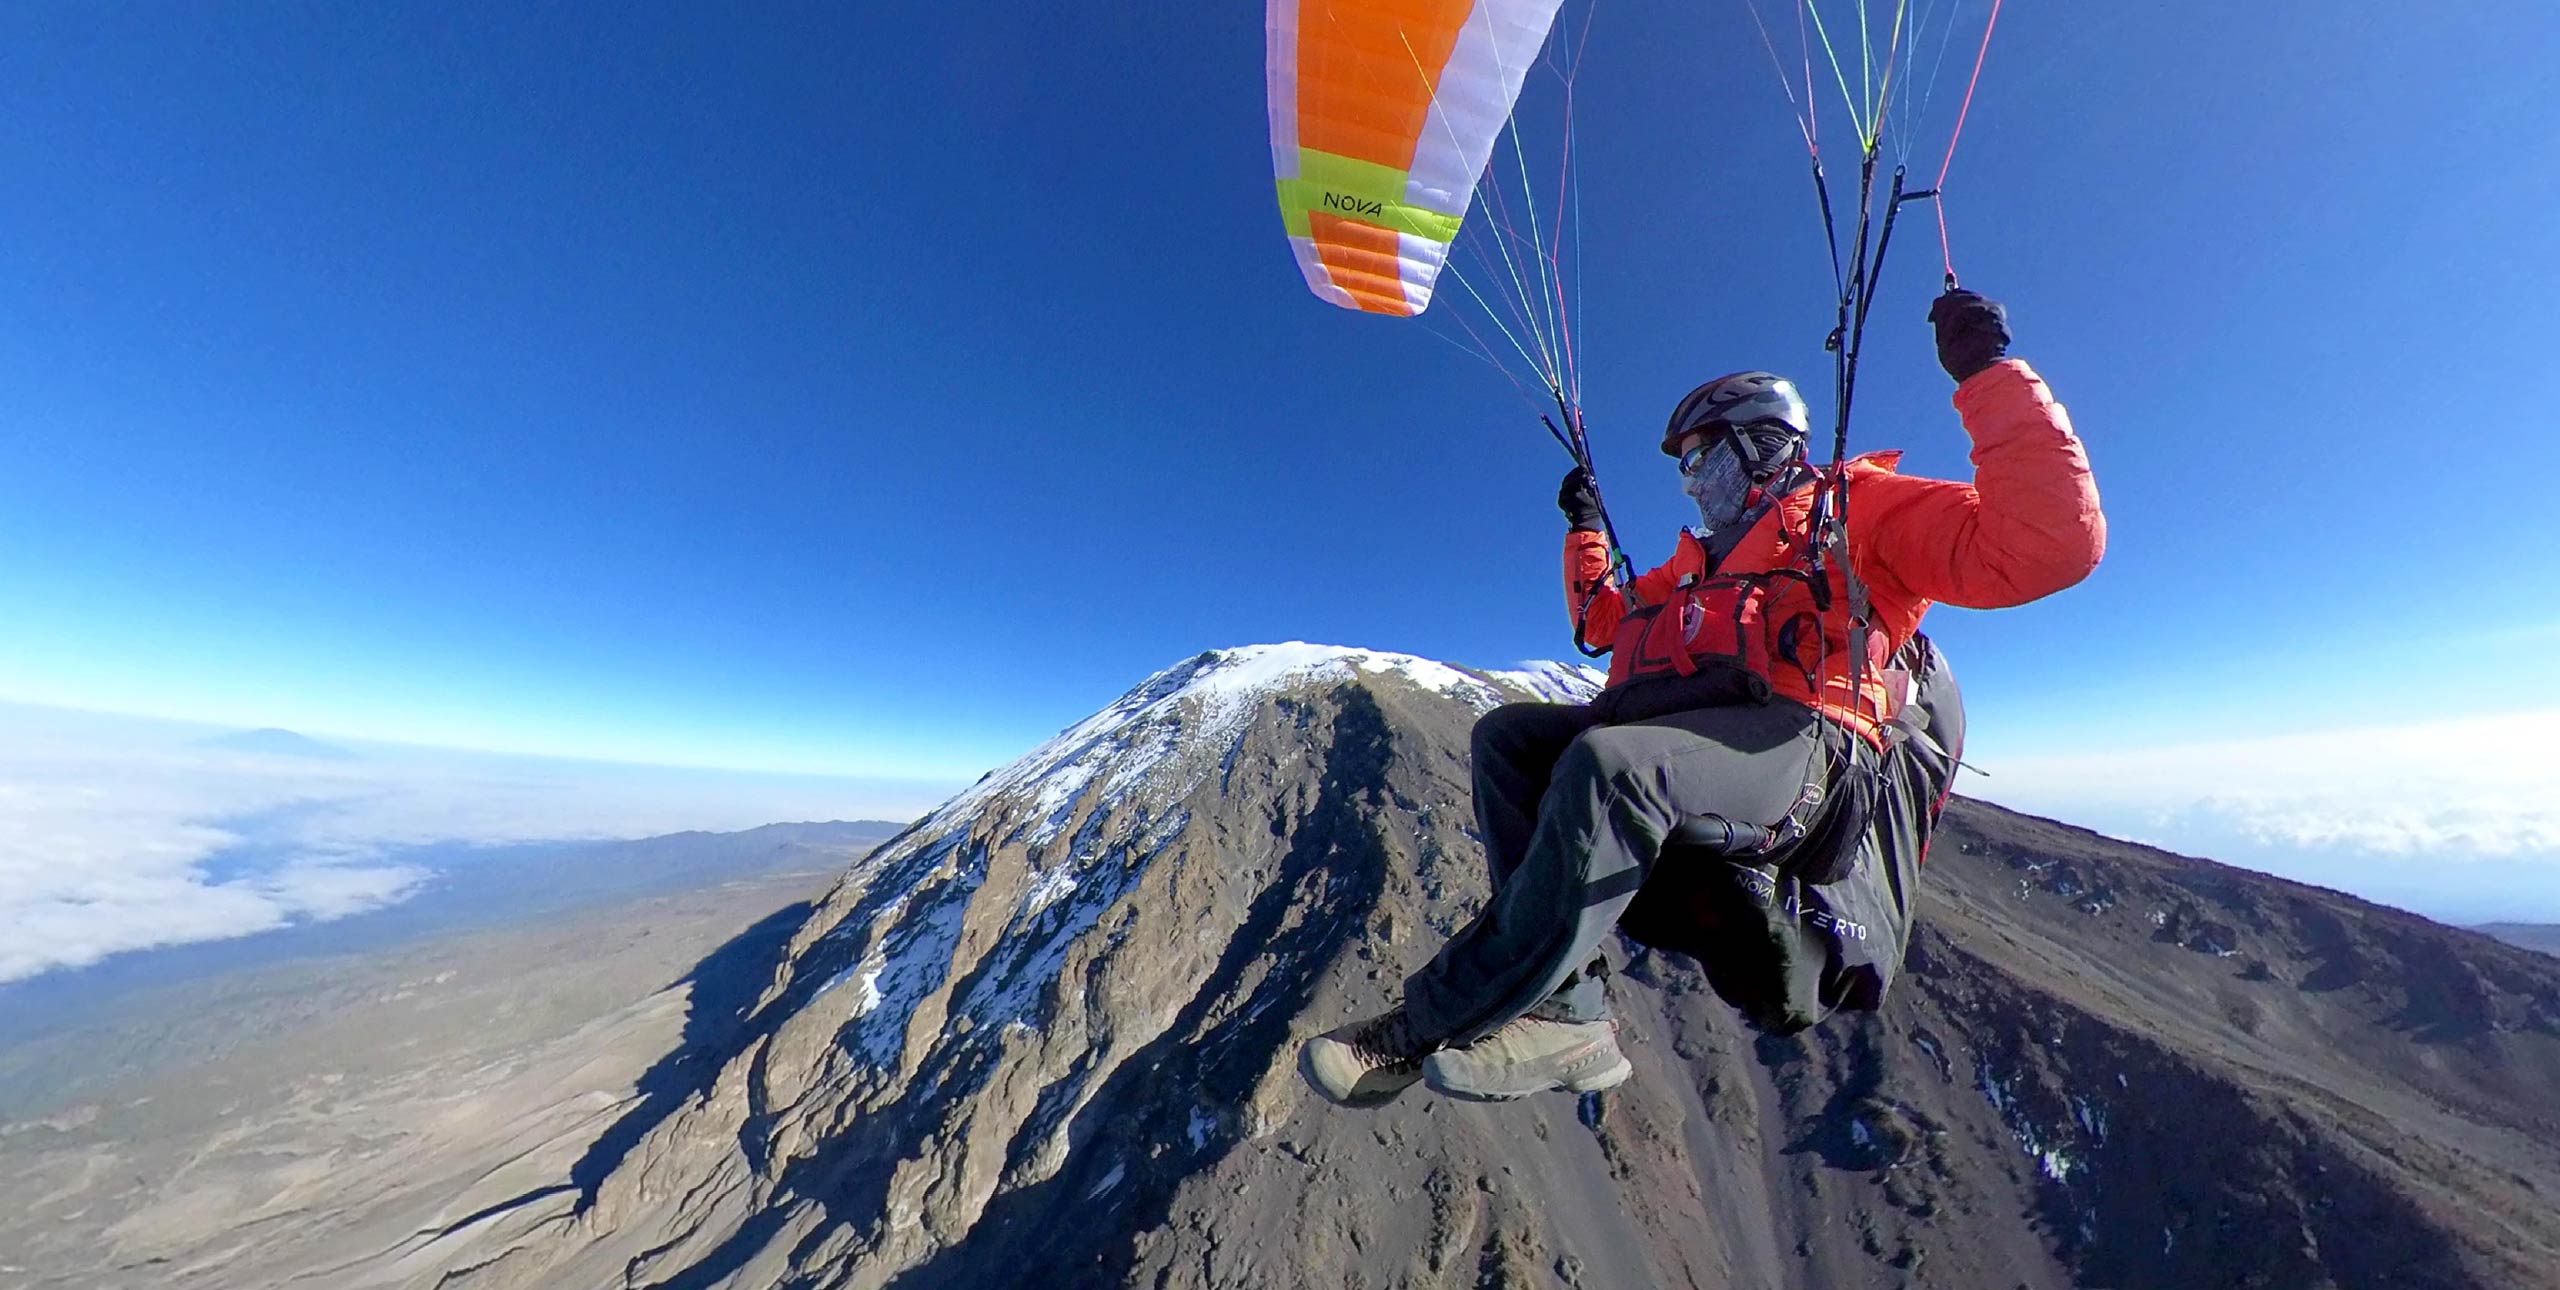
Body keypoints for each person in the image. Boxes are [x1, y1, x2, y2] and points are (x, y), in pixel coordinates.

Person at [1300, 288, 2106, 1106]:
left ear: (1763, 443)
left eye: (1700, 458)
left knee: (1610, 767)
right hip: (1704, 737)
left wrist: (1989, 377)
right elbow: (1602, 624)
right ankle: (1568, 1011)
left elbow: (2050, 545)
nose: (1690, 484)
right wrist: (1585, 529)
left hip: (1807, 748)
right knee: (1509, 738)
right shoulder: (1696, 567)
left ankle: (1422, 1025)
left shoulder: (1855, 509)